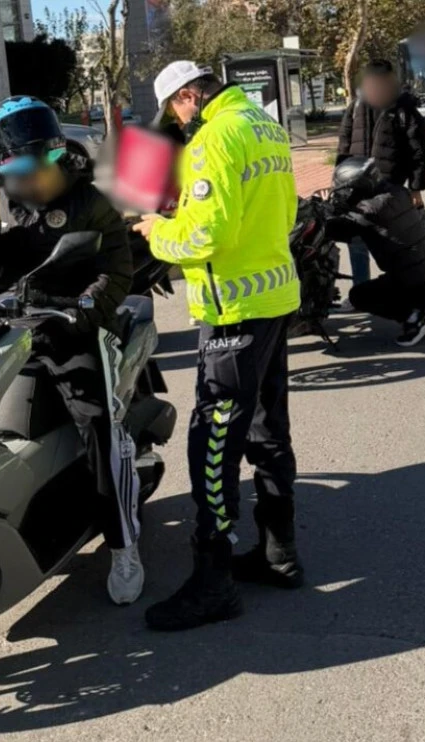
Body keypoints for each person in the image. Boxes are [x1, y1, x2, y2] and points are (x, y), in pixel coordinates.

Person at [132, 61, 303, 631]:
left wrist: (159, 231)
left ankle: (214, 582)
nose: (178, 125)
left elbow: (206, 235)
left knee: (213, 442)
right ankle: (280, 555)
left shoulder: (213, 137)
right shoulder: (264, 125)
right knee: (267, 432)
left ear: (188, 95)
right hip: (274, 297)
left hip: (232, 310)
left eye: (176, 113)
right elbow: (282, 210)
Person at [0, 97, 145, 606]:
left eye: (39, 168)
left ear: (56, 155)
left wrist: (83, 309)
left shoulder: (90, 202)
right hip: (15, 330)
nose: (32, 181)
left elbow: (117, 271)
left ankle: (124, 545)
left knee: (99, 425)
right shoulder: (2, 205)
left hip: (75, 328)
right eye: (18, 173)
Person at [328, 157, 425, 347]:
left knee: (359, 296)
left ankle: (414, 318)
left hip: (417, 284)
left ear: (356, 186)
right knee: (400, 273)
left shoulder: (367, 211)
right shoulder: (398, 192)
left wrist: (326, 215)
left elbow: (336, 230)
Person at [335, 59, 425, 298]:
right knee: (357, 240)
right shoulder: (356, 106)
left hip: (390, 187)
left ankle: (408, 292)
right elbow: (344, 145)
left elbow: (418, 151)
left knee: (397, 243)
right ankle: (361, 290)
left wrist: (416, 188)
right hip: (356, 187)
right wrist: (338, 183)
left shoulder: (403, 108)